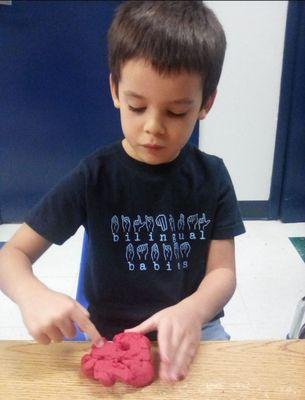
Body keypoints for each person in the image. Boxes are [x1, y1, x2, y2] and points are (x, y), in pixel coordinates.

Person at [0, 1, 245, 383]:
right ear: (115, 90)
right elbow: (11, 255)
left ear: (206, 103)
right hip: (111, 333)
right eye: (137, 105)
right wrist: (31, 294)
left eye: (176, 112)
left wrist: (194, 311)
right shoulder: (94, 177)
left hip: (194, 326)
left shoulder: (212, 176)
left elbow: (223, 273)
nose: (153, 127)